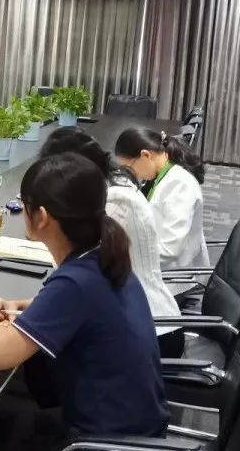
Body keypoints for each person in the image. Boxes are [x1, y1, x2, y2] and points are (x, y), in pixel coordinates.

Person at [0, 153, 168, 451]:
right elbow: (77, 307)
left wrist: (2, 325)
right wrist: (23, 308)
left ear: (41, 217)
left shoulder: (76, 282)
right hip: (134, 440)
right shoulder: (104, 254)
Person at [39, 127, 183, 358]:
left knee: (40, 354)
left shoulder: (114, 202)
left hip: (151, 333)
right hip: (130, 319)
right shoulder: (113, 185)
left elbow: (73, 268)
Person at [114, 128, 209, 270]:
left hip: (172, 272)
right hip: (152, 258)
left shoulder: (180, 185)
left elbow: (170, 249)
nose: (132, 174)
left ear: (145, 155)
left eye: (130, 168)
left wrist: (124, 253)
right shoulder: (159, 175)